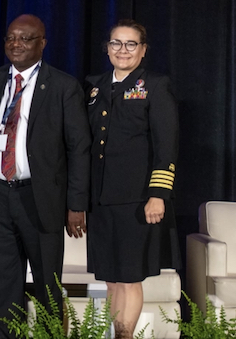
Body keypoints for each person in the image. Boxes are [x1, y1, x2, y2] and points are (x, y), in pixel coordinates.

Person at [0, 14, 90, 338]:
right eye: (11, 38)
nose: (16, 44)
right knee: (6, 287)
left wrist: (76, 204)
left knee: (47, 287)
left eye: (26, 38)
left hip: (41, 199)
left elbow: (78, 149)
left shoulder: (63, 86)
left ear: (43, 43)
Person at [85, 19, 180, 339]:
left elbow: (166, 145)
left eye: (130, 44)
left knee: (128, 278)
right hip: (100, 199)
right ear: (107, 48)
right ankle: (116, 333)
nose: (122, 50)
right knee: (110, 279)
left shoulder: (154, 84)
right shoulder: (94, 86)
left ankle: (126, 336)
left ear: (143, 50)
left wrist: (158, 194)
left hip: (136, 199)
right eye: (116, 43)